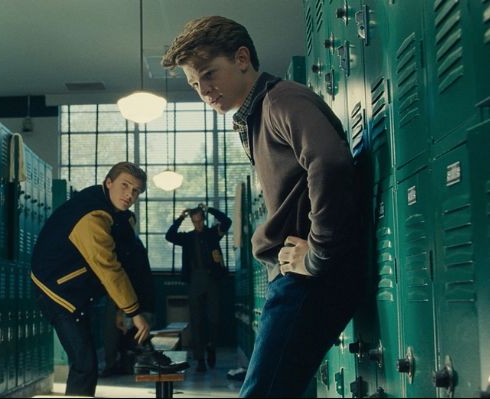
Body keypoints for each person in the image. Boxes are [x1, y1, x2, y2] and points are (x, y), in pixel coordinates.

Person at [163, 16, 366, 397]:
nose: (204, 91)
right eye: (194, 84)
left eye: (209, 74)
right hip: (294, 279)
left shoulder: (280, 99)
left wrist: (318, 254)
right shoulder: (255, 115)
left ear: (242, 58)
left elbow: (330, 163)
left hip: (305, 281)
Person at [30, 162, 152, 397]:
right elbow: (109, 268)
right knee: (84, 363)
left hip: (72, 288)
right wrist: (134, 313)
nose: (129, 195)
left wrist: (122, 309)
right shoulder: (92, 216)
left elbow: (127, 257)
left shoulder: (110, 210)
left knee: (87, 362)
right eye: (124, 186)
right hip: (56, 292)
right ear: (108, 183)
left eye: (136, 191)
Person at [165, 204, 231, 373]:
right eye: (195, 222)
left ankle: (211, 346)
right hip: (195, 279)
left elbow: (227, 221)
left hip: (212, 279)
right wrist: (181, 217)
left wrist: (209, 209)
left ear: (203, 219)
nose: (198, 224)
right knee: (196, 321)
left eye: (200, 220)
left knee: (214, 318)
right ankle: (200, 359)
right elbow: (169, 235)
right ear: (192, 222)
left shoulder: (212, 234)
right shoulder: (187, 238)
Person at [100, 210, 156, 378]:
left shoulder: (127, 244)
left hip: (124, 292)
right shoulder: (135, 242)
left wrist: (120, 309)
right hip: (132, 292)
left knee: (113, 330)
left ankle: (113, 365)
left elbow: (125, 274)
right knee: (123, 330)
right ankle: (122, 363)